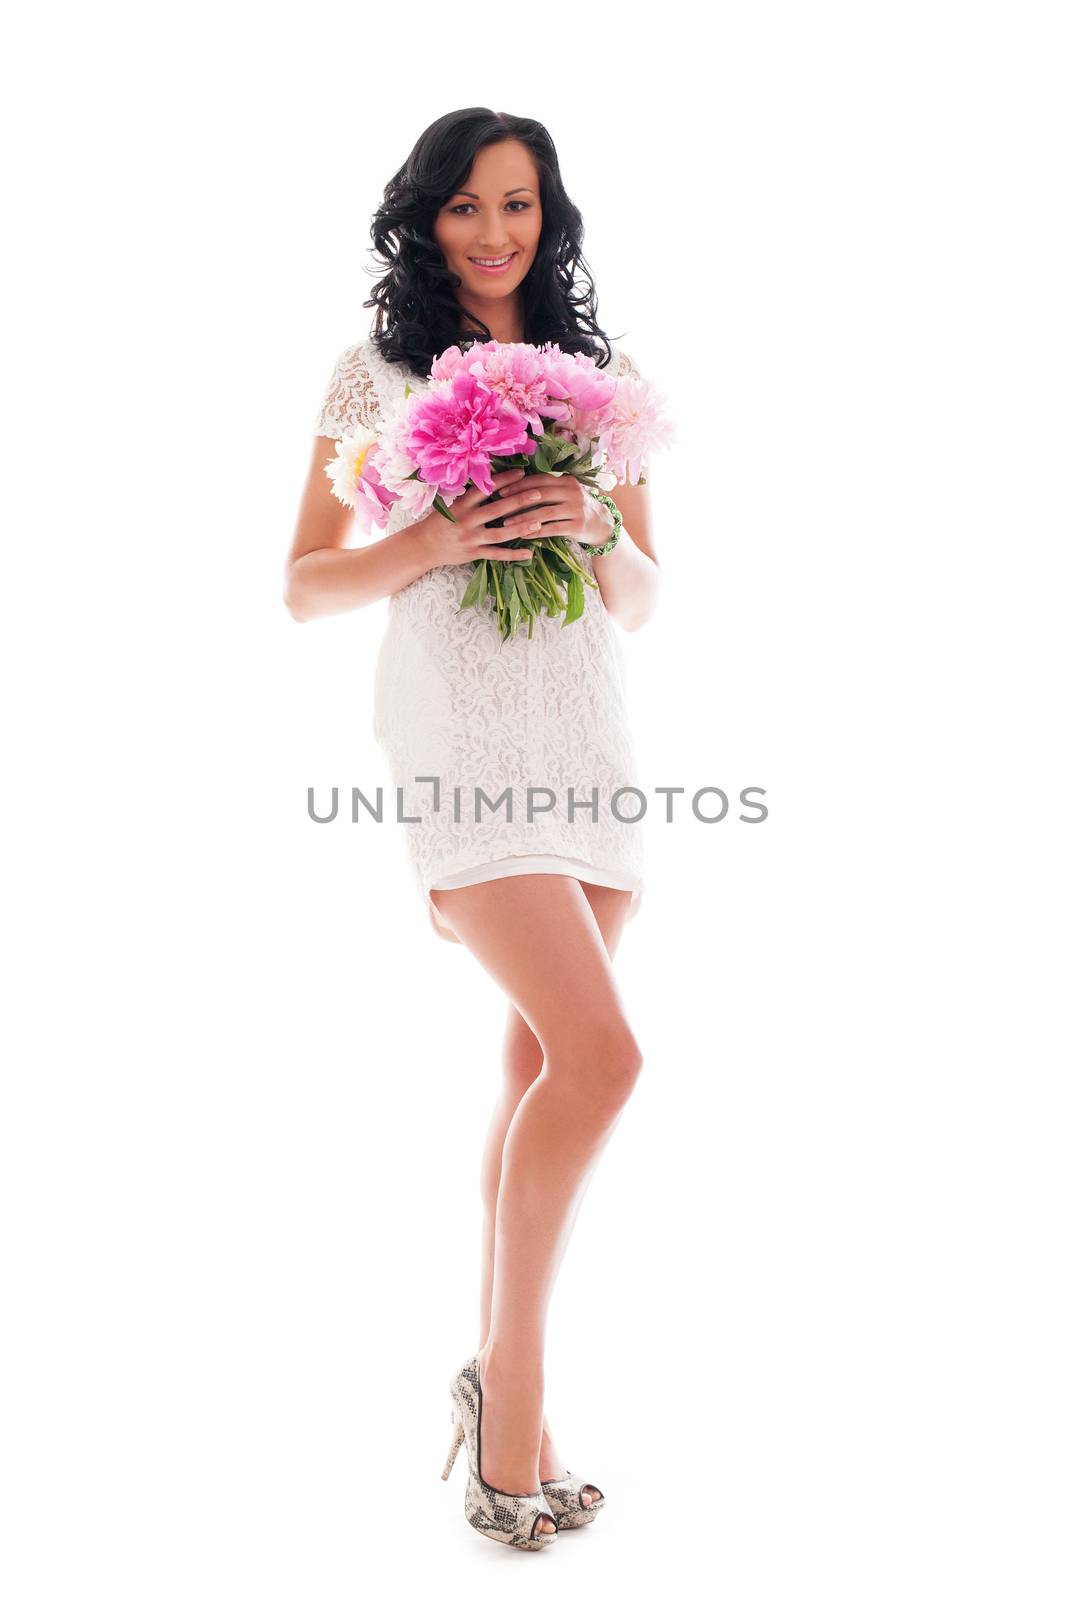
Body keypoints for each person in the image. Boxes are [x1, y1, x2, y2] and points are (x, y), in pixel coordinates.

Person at [284, 108, 662, 1551]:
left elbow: (642, 597)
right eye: (464, 206)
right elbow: (307, 585)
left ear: (550, 214)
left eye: (518, 203)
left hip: (585, 726)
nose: (493, 231)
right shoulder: (370, 370)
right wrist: (434, 541)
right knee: (606, 1054)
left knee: (539, 1068)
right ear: (424, 218)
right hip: (458, 731)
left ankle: (514, 1401)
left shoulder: (602, 376)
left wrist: (591, 523)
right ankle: (513, 1402)